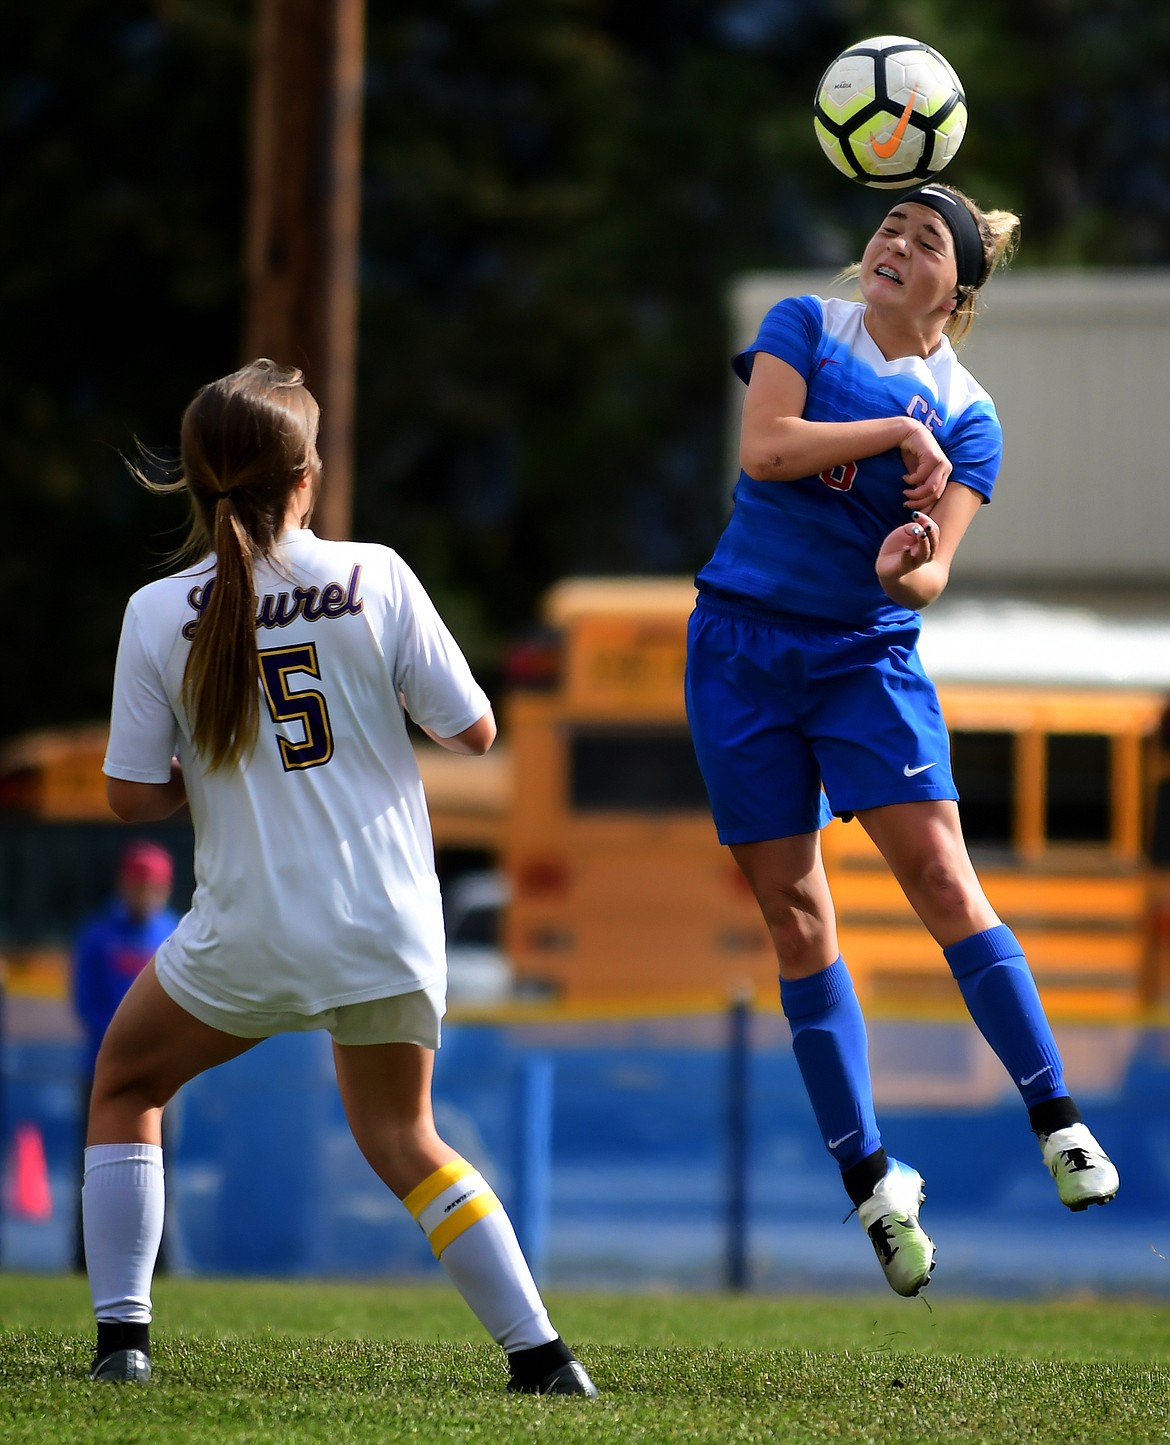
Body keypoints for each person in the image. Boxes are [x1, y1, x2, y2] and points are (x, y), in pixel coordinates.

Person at [84, 358, 596, 1398]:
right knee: (404, 1137)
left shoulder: (155, 610)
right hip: (389, 920)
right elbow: (473, 728)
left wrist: (197, 773)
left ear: (194, 477)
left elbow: (130, 796)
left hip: (253, 928)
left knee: (127, 1084)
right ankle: (543, 1355)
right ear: (307, 476)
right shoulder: (379, 574)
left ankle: (123, 1342)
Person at [684, 182, 1119, 1298]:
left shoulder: (972, 414)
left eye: (926, 241)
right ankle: (875, 1181)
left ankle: (1057, 1117)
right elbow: (768, 449)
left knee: (940, 877)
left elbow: (931, 572)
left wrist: (908, 560)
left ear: (956, 289)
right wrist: (892, 430)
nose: (895, 244)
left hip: (862, 659)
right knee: (795, 913)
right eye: (888, 228)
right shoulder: (803, 326)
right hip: (739, 647)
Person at [71, 840, 179, 1270]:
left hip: (164, 1076)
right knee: (96, 1168)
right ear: (124, 885)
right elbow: (87, 1004)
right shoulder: (97, 934)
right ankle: (85, 1260)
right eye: (139, 885)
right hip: (103, 1072)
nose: (146, 894)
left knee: (157, 1168)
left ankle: (160, 1262)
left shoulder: (173, 931)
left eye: (154, 886)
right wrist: (126, 1048)